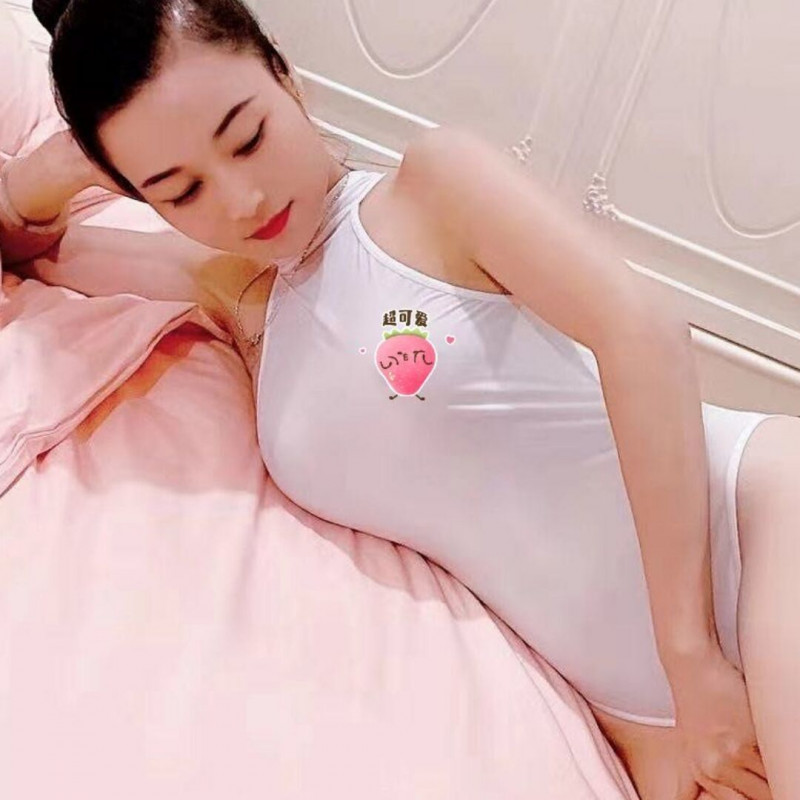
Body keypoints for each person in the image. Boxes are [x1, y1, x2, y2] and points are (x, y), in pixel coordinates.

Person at [4, 0, 799, 796]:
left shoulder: (430, 189)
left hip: (752, 536)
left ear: (286, 77)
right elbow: (30, 246)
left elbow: (644, 334)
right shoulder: (234, 296)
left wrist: (691, 660)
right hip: (642, 714)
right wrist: (86, 160)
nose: (241, 200)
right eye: (182, 191)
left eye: (247, 137)